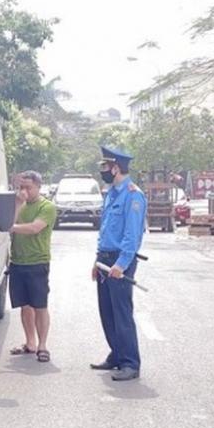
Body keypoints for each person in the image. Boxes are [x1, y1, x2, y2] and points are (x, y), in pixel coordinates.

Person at [90, 146, 147, 381]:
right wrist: (97, 259)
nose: (102, 171)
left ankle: (130, 363)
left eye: (105, 167)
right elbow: (105, 231)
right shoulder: (111, 192)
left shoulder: (133, 195)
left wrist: (122, 264)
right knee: (107, 311)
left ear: (116, 168)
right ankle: (116, 354)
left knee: (122, 312)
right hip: (105, 259)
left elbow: (131, 236)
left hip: (119, 261)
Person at [7, 170, 57, 363]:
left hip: (37, 262)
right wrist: (18, 203)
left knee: (40, 305)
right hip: (18, 261)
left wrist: (10, 227)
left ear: (38, 187)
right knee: (24, 305)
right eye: (21, 187)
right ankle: (30, 343)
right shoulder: (19, 205)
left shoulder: (47, 207)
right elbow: (7, 220)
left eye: (28, 187)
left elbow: (34, 228)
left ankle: (43, 345)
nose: (24, 191)